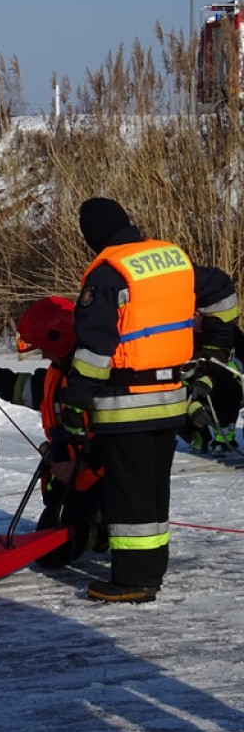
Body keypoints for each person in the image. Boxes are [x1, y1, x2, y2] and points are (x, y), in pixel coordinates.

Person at [61, 198, 239, 603]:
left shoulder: (107, 275)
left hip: (128, 403)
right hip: (170, 401)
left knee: (130, 493)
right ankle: (151, 568)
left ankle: (134, 581)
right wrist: (214, 353)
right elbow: (224, 294)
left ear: (94, 236)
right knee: (154, 490)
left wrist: (74, 405)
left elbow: (94, 351)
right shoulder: (172, 261)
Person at [0, 296, 107, 568]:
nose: (42, 355)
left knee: (69, 542)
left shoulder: (99, 380)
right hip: (70, 478)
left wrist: (80, 465)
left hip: (99, 479)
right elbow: (25, 387)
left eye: (44, 348)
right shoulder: (57, 373)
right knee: (50, 555)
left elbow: (115, 440)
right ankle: (90, 527)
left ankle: (103, 527)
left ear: (61, 339)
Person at [178, 322, 244, 455]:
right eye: (193, 313)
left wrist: (210, 378)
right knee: (170, 399)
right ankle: (197, 436)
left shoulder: (227, 330)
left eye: (201, 314)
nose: (196, 318)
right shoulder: (179, 333)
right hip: (192, 388)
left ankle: (224, 439)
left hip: (225, 386)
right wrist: (190, 402)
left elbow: (240, 360)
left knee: (225, 387)